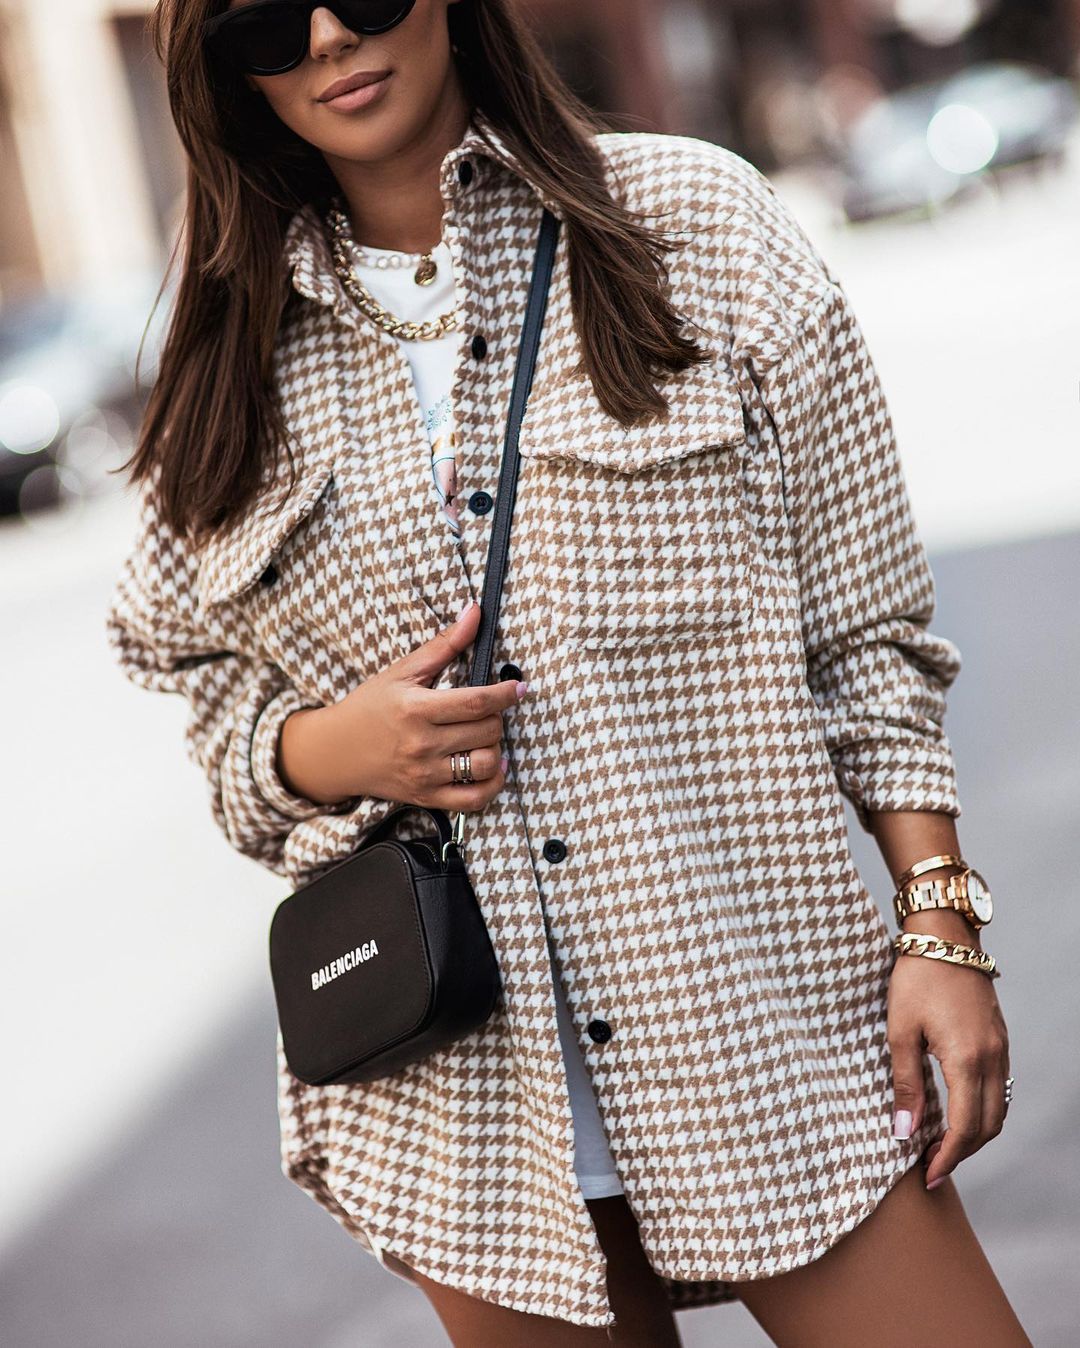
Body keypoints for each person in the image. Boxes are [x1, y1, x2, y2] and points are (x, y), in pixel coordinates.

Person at [105, 1, 1030, 1343]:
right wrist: (328, 750)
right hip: (467, 1106)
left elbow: (868, 626)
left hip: (755, 1018)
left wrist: (939, 925)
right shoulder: (230, 352)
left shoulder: (696, 224)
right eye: (260, 19)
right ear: (223, 73)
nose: (324, 39)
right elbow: (200, 692)